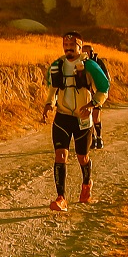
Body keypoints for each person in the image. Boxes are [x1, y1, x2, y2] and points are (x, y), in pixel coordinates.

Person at [42, 31, 110, 211]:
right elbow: (52, 88)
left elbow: (104, 89)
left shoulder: (90, 66)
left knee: (82, 157)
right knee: (60, 155)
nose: (68, 49)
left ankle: (87, 184)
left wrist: (93, 104)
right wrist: (49, 104)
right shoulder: (57, 65)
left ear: (80, 47)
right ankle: (61, 197)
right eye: (66, 46)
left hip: (83, 119)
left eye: (72, 47)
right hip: (62, 117)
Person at [83, 44, 111, 149]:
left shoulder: (98, 63)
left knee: (96, 117)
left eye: (87, 52)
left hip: (97, 93)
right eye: (83, 51)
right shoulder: (80, 63)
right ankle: (92, 137)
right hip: (86, 94)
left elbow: (106, 78)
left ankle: (99, 137)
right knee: (87, 117)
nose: (84, 54)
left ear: (91, 52)